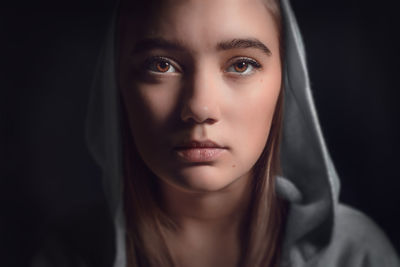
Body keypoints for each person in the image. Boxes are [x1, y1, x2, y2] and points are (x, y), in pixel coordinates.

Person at [32, 0, 400, 266]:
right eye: (161, 65)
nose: (200, 108)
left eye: (241, 64)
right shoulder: (70, 254)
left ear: (285, 85)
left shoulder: (354, 253)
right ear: (118, 86)